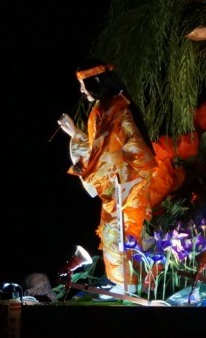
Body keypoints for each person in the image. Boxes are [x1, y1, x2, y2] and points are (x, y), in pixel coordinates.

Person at [58, 61, 178, 292]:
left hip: (126, 182)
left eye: (84, 85)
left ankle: (133, 285)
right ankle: (132, 284)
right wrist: (75, 134)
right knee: (121, 235)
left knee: (123, 234)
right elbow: (100, 148)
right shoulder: (110, 106)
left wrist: (78, 145)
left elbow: (106, 153)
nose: (82, 91)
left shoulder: (113, 109)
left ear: (96, 82)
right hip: (125, 181)